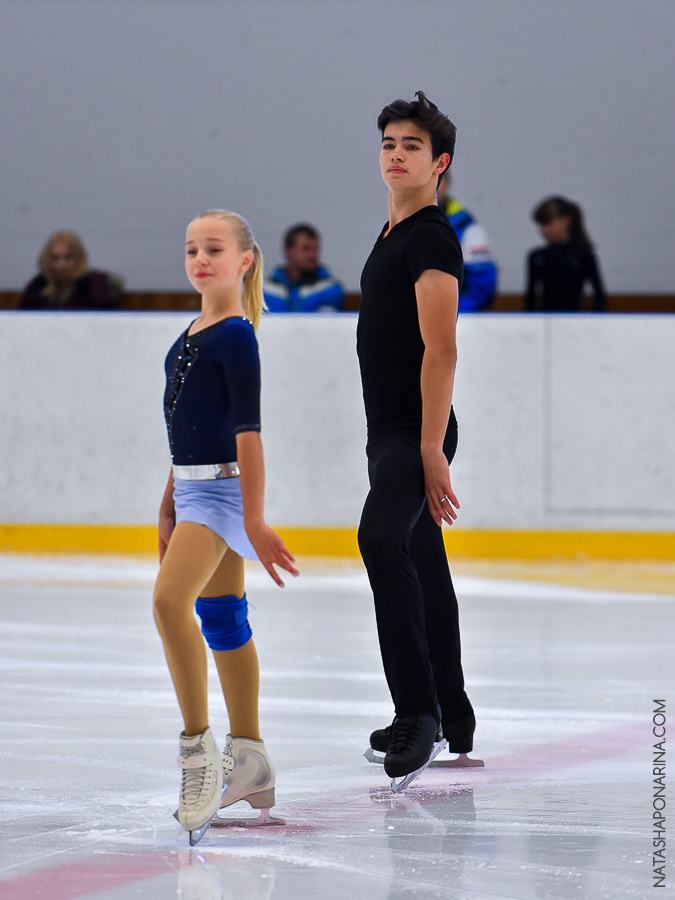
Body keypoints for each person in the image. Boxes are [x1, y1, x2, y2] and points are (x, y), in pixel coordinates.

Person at [153, 209, 299, 845]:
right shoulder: (191, 330)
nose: (199, 258)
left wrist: (256, 518)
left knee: (166, 603)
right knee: (223, 620)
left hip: (219, 494)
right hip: (191, 491)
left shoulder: (237, 335)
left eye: (213, 248)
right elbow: (182, 426)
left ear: (244, 260)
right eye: (191, 248)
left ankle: (198, 754)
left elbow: (248, 435)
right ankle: (251, 760)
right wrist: (167, 500)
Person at [356, 92, 477, 782]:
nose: (395, 154)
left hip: (414, 433)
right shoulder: (390, 233)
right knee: (421, 560)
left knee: (380, 540)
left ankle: (417, 716)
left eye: (410, 145)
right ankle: (451, 715)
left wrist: (430, 449)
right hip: (390, 435)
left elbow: (442, 350)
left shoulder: (430, 234)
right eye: (387, 143)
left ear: (439, 163)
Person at [525, 196, 607, 311]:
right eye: (541, 225)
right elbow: (530, 299)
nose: (543, 230)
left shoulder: (583, 255)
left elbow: (600, 296)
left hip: (574, 321)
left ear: (566, 221)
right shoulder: (536, 256)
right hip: (545, 320)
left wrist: (596, 324)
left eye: (548, 223)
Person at [438, 170, 498, 312]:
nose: (431, 185)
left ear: (447, 183)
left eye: (437, 179)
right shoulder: (403, 225)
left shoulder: (468, 228)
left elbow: (481, 286)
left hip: (457, 320)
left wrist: (449, 313)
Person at [20, 231, 123, 310]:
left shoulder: (96, 286)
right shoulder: (37, 287)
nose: (61, 265)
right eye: (55, 258)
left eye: (68, 258)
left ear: (79, 259)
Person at [263, 223, 344, 312]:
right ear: (288, 251)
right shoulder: (265, 291)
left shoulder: (329, 289)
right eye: (306, 249)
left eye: (315, 249)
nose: (312, 255)